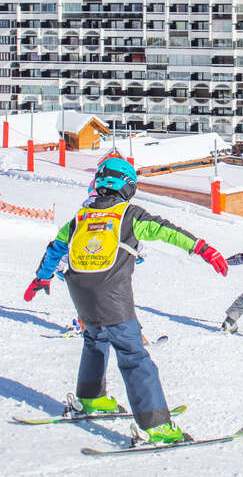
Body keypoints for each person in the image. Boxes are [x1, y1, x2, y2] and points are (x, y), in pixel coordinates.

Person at [23, 157, 227, 445]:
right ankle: (156, 426)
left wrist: (41, 279)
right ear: (128, 187)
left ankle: (91, 399)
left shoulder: (81, 216)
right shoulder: (129, 215)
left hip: (80, 291)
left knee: (95, 339)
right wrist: (203, 249)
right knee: (133, 355)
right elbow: (167, 231)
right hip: (111, 295)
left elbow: (55, 248)